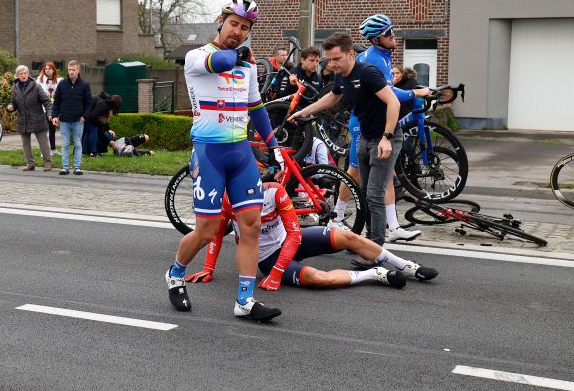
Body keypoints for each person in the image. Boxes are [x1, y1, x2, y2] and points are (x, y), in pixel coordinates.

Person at [165, 0, 283, 322]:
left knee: (251, 226)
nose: (238, 31)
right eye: (234, 24)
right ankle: (175, 274)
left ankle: (245, 300)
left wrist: (272, 145)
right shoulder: (197, 56)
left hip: (241, 153)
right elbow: (221, 63)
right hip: (209, 154)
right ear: (221, 20)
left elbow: (256, 108)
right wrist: (239, 55)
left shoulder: (245, 65)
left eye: (244, 28)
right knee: (207, 230)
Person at [289, 30, 434, 254]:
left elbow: (393, 103)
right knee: (365, 192)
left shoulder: (368, 73)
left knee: (375, 195)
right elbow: (333, 97)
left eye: (337, 59)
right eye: (330, 60)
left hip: (385, 138)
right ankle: (368, 244)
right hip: (365, 137)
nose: (333, 64)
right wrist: (304, 111)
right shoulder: (341, 75)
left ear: (350, 55)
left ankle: (375, 251)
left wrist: (386, 138)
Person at [187, 182, 438, 289]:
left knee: (347, 236)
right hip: (266, 258)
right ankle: (374, 274)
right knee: (320, 279)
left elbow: (295, 234)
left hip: (290, 242)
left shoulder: (275, 192)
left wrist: (277, 275)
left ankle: (404, 265)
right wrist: (209, 268)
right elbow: (216, 235)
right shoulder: (229, 201)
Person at [338, 19, 430, 242]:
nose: (393, 37)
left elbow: (387, 89)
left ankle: (394, 226)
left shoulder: (383, 56)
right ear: (375, 39)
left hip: (375, 121)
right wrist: (416, 93)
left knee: (385, 176)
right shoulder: (374, 60)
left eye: (392, 32)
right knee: (354, 172)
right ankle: (337, 215)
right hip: (363, 123)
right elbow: (391, 95)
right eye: (388, 34)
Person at [7, 65, 53, 171]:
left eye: (25, 73)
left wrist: (49, 113)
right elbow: (14, 102)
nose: (23, 75)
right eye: (20, 74)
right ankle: (30, 163)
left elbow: (46, 101)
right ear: (17, 76)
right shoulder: (15, 88)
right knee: (25, 143)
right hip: (23, 119)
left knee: (43, 142)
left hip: (38, 118)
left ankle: (48, 162)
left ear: (28, 74)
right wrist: (11, 107)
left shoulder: (36, 86)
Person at [50, 60, 92, 176]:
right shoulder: (62, 84)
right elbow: (57, 102)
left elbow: (89, 103)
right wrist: (54, 116)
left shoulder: (84, 85)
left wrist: (84, 116)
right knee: (65, 144)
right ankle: (65, 167)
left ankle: (77, 167)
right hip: (64, 120)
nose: (71, 72)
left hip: (78, 120)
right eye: (69, 70)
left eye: (73, 70)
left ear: (78, 70)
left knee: (78, 144)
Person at [36, 61, 62, 151]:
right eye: (46, 69)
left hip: (54, 108)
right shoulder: (40, 80)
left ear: (53, 70)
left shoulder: (59, 81)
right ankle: (44, 151)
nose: (47, 71)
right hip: (43, 108)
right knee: (44, 130)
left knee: (52, 130)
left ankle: (53, 149)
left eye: (49, 69)